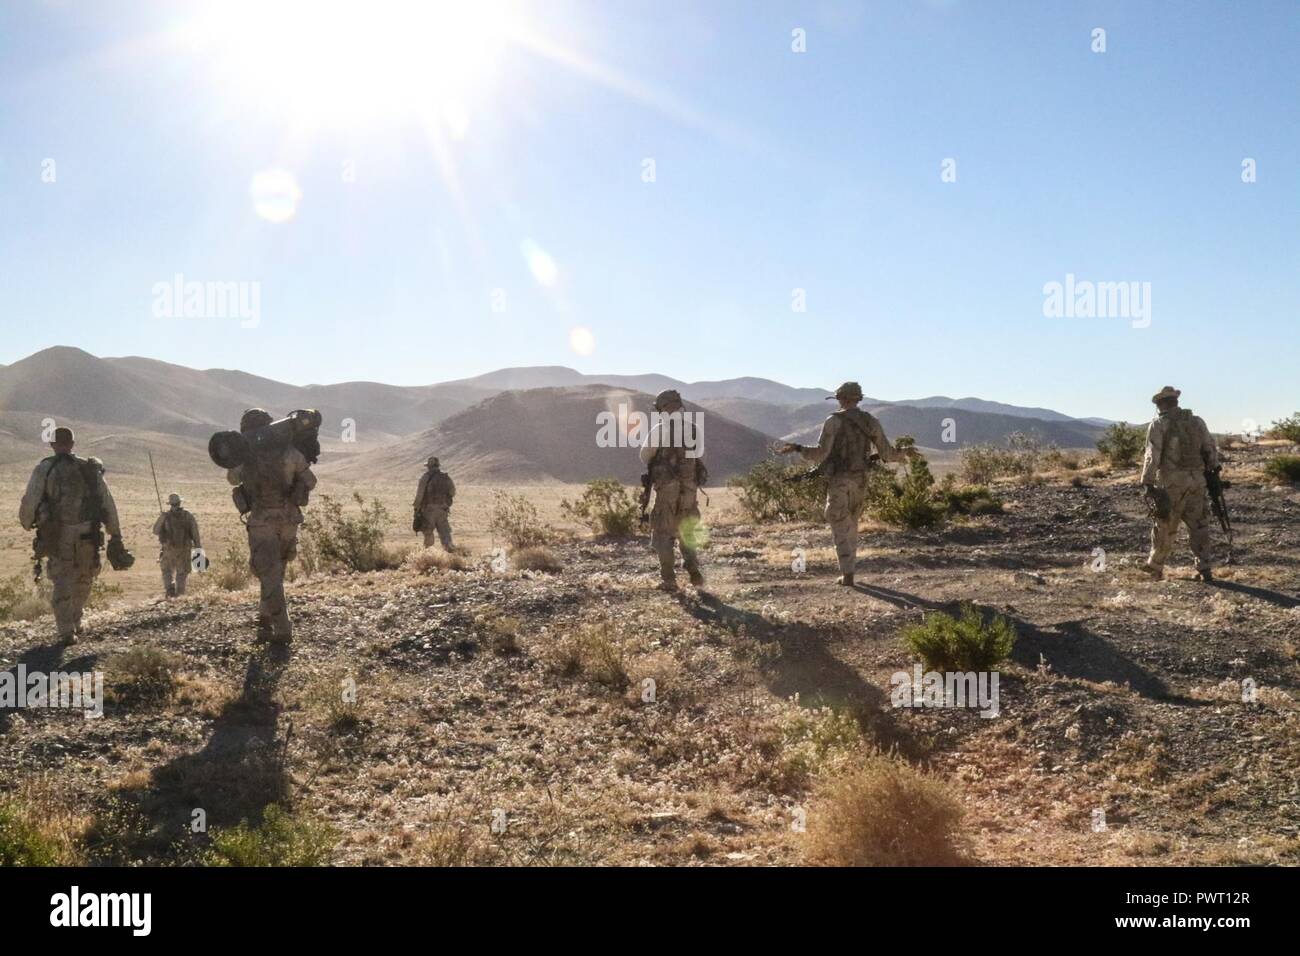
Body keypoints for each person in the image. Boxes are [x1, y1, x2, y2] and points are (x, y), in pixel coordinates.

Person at [777, 381, 915, 586]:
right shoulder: (871, 421)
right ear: (858, 398)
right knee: (852, 523)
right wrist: (905, 452)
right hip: (861, 481)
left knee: (839, 522)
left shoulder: (833, 421)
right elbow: (887, 454)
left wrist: (797, 448)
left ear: (841, 399)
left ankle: (848, 573)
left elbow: (820, 454)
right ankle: (849, 570)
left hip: (840, 480)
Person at [18, 426, 124, 644]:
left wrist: (27, 522)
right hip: (86, 534)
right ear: (72, 444)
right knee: (82, 578)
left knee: (66, 580)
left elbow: (30, 500)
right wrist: (115, 534)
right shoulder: (88, 468)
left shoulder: (46, 469)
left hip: (61, 535)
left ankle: (68, 628)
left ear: (53, 445)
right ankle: (71, 626)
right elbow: (108, 504)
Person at [226, 408, 316, 642]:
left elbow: (232, 479)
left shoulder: (245, 456)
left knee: (268, 573)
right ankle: (264, 623)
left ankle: (283, 629)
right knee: (275, 573)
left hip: (261, 522)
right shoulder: (290, 452)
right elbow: (311, 481)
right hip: (289, 520)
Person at [1139, 386, 1218, 582]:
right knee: (1199, 524)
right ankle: (1205, 568)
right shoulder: (1197, 421)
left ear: (1161, 403)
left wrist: (1147, 481)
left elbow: (1152, 455)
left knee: (1164, 524)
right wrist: (1212, 472)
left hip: (1171, 482)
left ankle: (1155, 567)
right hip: (1197, 480)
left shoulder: (1159, 424)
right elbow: (1210, 449)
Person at [639, 389, 706, 592]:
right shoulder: (694, 429)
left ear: (662, 409)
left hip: (667, 490)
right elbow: (700, 454)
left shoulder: (659, 430)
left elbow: (645, 456)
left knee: (662, 532)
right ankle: (693, 569)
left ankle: (669, 579)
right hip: (689, 489)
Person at [153, 493, 201, 597]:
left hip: (168, 550)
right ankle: (180, 595)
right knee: (182, 573)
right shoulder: (188, 515)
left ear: (170, 504)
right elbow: (195, 534)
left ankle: (169, 590)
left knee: (166, 571)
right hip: (184, 549)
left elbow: (155, 531)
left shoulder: (165, 516)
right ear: (180, 503)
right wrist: (198, 548)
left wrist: (162, 517)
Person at [413, 457, 455, 551]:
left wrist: (416, 509)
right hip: (442, 510)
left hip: (428, 511)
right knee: (445, 534)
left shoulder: (425, 477)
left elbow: (419, 495)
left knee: (428, 533)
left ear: (429, 466)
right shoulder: (446, 478)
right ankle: (451, 555)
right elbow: (452, 492)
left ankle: (429, 556)